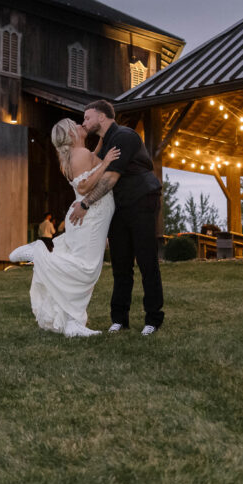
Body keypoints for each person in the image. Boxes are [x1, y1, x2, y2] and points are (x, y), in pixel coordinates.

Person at [9, 119, 120, 337]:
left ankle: (73, 322)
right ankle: (39, 253)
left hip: (86, 218)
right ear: (71, 133)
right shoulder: (80, 154)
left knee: (81, 268)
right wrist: (106, 161)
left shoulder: (76, 155)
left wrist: (99, 149)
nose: (82, 125)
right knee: (86, 269)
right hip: (89, 218)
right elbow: (84, 185)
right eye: (77, 125)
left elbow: (89, 166)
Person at [69, 99, 164, 336]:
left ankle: (153, 318)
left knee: (146, 261)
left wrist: (85, 204)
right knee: (121, 264)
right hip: (119, 206)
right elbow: (94, 166)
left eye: (87, 117)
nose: (84, 121)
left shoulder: (124, 136)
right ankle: (119, 319)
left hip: (142, 199)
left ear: (102, 117)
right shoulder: (106, 141)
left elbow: (110, 179)